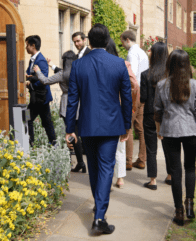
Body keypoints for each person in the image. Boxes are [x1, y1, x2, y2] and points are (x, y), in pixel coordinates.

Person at [65, 24, 132, 234]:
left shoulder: (79, 65)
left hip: (87, 124)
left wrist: (69, 128)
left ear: (90, 42)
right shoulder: (119, 64)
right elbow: (127, 98)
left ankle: (98, 207)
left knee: (94, 168)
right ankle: (100, 217)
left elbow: (72, 100)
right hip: (112, 125)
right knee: (105, 169)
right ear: (107, 41)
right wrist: (127, 125)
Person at [154, 50, 196, 226]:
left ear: (169, 64)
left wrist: (159, 130)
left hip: (170, 132)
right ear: (187, 64)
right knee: (190, 168)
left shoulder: (162, 85)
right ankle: (190, 204)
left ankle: (179, 211)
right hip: (191, 131)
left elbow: (157, 111)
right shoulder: (194, 84)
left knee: (176, 171)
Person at [29, 51, 86, 173]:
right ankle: (80, 162)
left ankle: (78, 162)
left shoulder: (63, 74)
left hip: (67, 104)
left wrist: (38, 71)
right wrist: (52, 65)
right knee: (77, 133)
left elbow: (45, 81)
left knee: (70, 133)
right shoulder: (80, 72)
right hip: (80, 104)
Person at [105, 38, 138, 188]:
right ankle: (120, 178)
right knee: (120, 145)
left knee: (104, 145)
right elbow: (134, 85)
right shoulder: (123, 64)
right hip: (118, 107)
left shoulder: (99, 65)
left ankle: (107, 177)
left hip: (103, 108)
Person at [140, 42, 171, 190]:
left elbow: (143, 98)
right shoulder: (170, 74)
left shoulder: (145, 74)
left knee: (151, 148)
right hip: (166, 115)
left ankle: (152, 180)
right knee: (168, 146)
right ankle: (170, 175)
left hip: (149, 114)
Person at [120, 30, 149, 170]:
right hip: (143, 92)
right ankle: (142, 159)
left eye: (122, 42)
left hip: (134, 92)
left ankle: (128, 161)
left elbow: (132, 76)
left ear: (126, 39)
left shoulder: (132, 53)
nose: (122, 45)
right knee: (140, 127)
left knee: (128, 127)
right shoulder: (142, 52)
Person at [25, 35, 56, 147]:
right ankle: (53, 143)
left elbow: (43, 79)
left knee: (27, 117)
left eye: (27, 45)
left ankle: (30, 143)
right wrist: (27, 76)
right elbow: (32, 74)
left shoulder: (41, 60)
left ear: (33, 46)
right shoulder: (32, 59)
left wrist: (30, 83)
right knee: (47, 121)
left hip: (40, 97)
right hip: (39, 98)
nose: (26, 47)